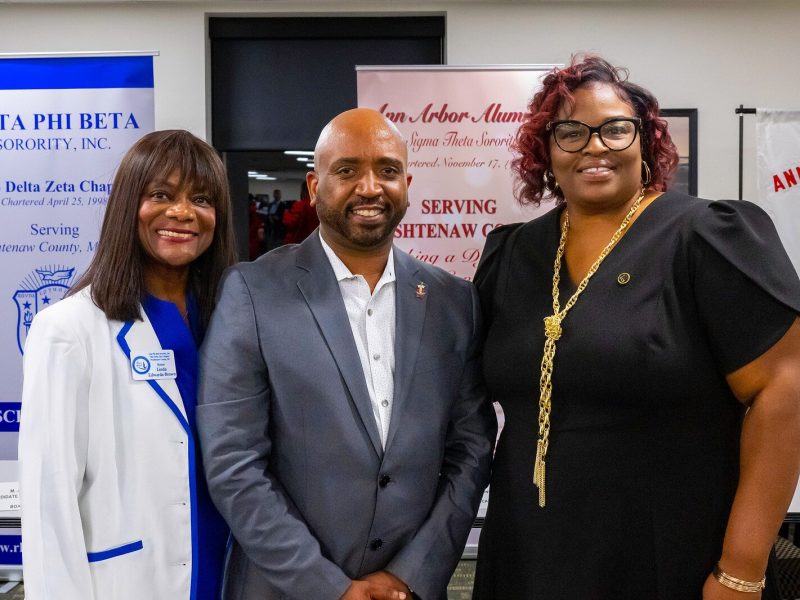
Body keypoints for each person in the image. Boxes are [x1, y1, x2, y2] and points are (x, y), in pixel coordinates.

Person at [472, 55, 800, 600]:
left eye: (615, 129)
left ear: (645, 143)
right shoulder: (512, 254)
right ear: (545, 152)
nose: (594, 146)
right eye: (570, 132)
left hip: (666, 551)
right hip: (528, 550)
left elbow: (783, 392)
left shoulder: (703, 238)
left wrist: (741, 568)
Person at [196, 108, 496, 600]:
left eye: (388, 169)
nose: (370, 187)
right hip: (285, 588)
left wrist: (410, 574)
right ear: (314, 188)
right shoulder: (253, 292)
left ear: (408, 183)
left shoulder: (453, 301)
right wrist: (329, 588)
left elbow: (472, 450)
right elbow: (233, 462)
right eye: (348, 170)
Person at [19, 130, 237, 600]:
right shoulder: (69, 330)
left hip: (229, 571)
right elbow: (47, 503)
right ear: (126, 206)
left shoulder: (231, 320)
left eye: (201, 199)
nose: (182, 213)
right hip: (131, 579)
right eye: (161, 194)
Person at [282, 180, 320, 244]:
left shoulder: (300, 205)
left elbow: (290, 224)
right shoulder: (322, 205)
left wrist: (286, 213)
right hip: (316, 242)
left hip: (299, 242)